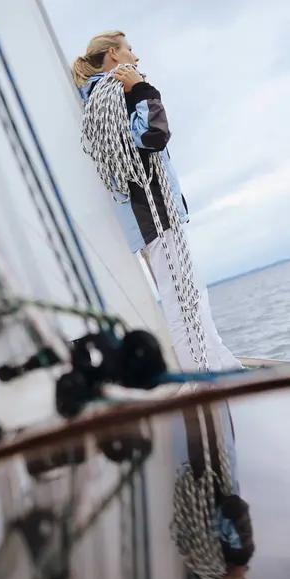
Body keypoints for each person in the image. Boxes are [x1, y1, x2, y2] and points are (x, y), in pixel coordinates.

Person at [72, 31, 242, 373]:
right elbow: (152, 137)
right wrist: (142, 90)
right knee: (184, 301)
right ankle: (200, 374)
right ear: (112, 54)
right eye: (130, 49)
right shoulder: (117, 92)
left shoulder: (100, 95)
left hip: (149, 213)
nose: (136, 56)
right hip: (153, 210)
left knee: (191, 296)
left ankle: (223, 366)